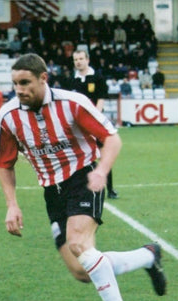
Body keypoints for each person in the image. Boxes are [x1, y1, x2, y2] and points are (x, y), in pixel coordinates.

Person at [0, 54, 167, 301]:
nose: (19, 90)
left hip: (83, 179)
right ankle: (147, 256)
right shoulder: (9, 116)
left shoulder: (73, 103)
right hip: (53, 191)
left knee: (78, 243)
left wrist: (102, 171)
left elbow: (112, 138)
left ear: (43, 78)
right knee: (82, 270)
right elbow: (4, 163)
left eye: (25, 83)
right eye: (15, 84)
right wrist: (12, 205)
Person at [69, 49, 119, 199]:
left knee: (105, 155)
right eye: (75, 59)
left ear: (87, 60)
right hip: (78, 125)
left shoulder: (97, 77)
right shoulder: (73, 80)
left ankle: (110, 189)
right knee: (79, 157)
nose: (78, 62)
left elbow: (101, 98)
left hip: (95, 123)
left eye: (81, 59)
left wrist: (94, 119)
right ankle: (80, 187)